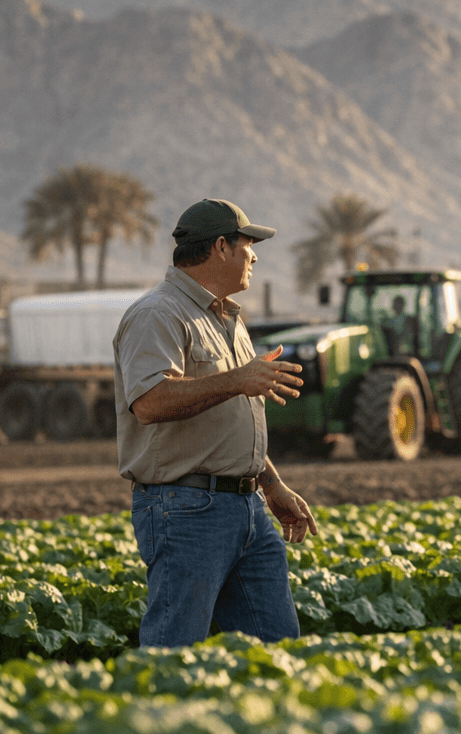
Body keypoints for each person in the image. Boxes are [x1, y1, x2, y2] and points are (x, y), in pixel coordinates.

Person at [114, 198, 319, 648]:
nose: (255, 257)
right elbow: (148, 402)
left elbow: (232, 417)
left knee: (277, 649)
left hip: (248, 508)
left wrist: (272, 486)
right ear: (222, 247)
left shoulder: (229, 320)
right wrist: (237, 380)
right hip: (186, 509)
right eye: (249, 245)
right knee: (174, 650)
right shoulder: (158, 313)